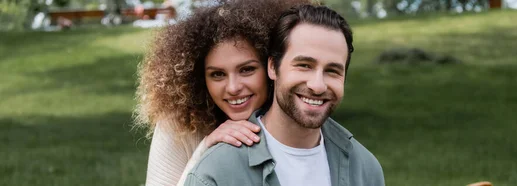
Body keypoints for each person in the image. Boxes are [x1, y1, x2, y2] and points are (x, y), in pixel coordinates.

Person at [184, 4, 385, 186]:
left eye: (332, 71)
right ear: (272, 67)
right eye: (304, 65)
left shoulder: (365, 169)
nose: (317, 85)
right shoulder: (217, 173)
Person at [133, 0, 310, 185]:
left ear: (271, 67)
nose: (233, 88)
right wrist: (206, 149)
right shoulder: (179, 125)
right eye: (217, 74)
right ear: (201, 78)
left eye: (246, 70)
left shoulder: (294, 118)